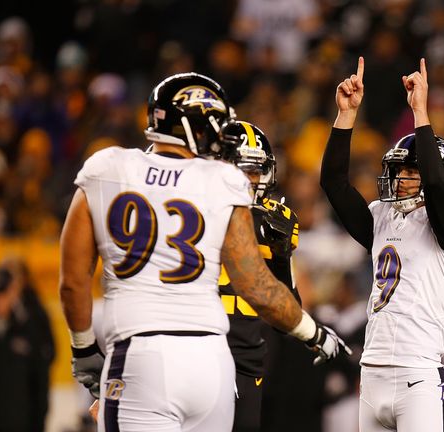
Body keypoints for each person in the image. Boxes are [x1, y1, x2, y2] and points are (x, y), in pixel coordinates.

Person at [59, 72, 350, 431]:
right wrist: (313, 333)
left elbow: (73, 283)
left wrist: (84, 351)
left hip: (142, 354)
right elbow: (257, 287)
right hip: (212, 362)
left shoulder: (107, 168)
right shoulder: (222, 181)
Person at [320, 57, 444, 431]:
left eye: (411, 171)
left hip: (419, 373)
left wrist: (421, 113)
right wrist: (345, 116)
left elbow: (436, 194)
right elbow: (333, 184)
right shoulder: (384, 215)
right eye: (398, 172)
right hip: (373, 371)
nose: (401, 180)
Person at [214, 118, 302, 432]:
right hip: (196, 341)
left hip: (245, 351)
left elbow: (289, 311)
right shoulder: (195, 208)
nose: (251, 180)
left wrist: (279, 258)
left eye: (256, 171)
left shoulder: (274, 220)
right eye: (242, 169)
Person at [0, 262, 54, 432]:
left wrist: (39, 422)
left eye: (0, 295)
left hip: (19, 422)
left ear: (12, 294)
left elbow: (39, 381)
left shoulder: (29, 330)